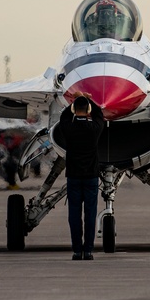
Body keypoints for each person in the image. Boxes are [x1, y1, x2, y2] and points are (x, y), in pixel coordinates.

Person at [57, 94, 106, 260]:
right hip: (91, 177)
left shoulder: (69, 128)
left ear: (73, 110)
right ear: (88, 110)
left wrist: (75, 100)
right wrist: (88, 98)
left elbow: (64, 116)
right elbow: (99, 114)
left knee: (74, 215)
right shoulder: (94, 129)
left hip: (74, 177)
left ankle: (77, 251)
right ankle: (89, 251)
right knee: (90, 215)